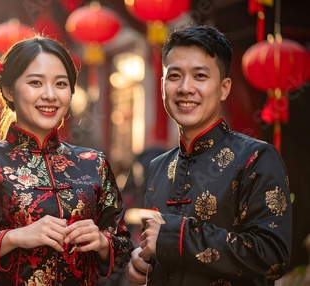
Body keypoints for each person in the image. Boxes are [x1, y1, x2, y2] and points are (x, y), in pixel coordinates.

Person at [0, 36, 133, 285]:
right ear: (9, 90)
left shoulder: (94, 163)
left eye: (61, 84)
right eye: (36, 83)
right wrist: (14, 238)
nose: (50, 95)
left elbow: (125, 249)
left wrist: (103, 243)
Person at [125, 25, 292, 285]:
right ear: (162, 85)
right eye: (174, 76)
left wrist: (176, 236)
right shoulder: (158, 167)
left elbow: (271, 257)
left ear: (224, 88)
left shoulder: (256, 158)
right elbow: (160, 247)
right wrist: (142, 261)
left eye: (200, 76)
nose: (185, 88)